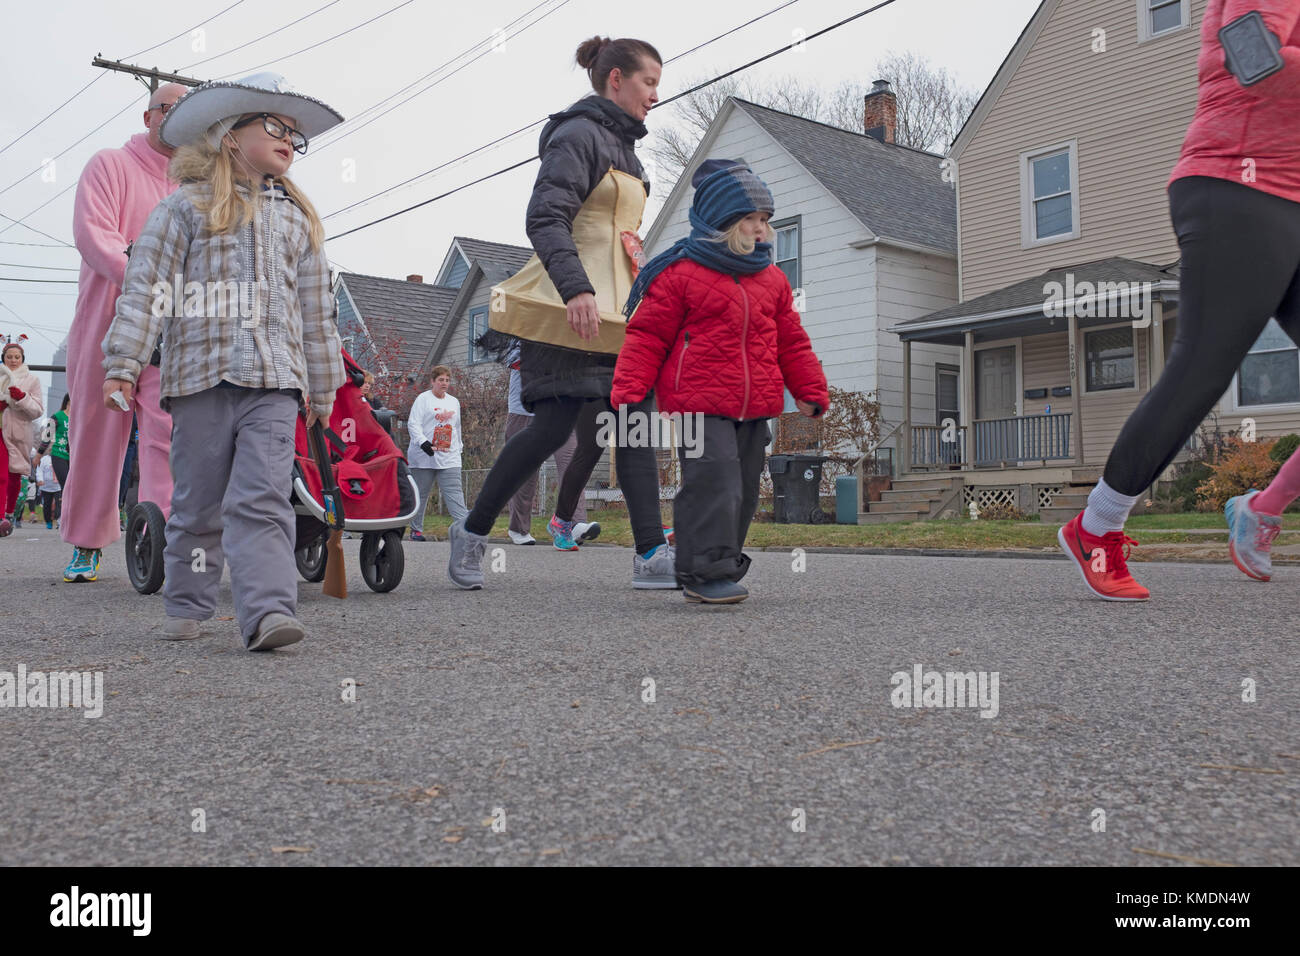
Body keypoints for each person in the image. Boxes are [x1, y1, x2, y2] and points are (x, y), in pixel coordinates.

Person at [1059, 0, 1300, 600]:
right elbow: (1251, 55)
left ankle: (1264, 509)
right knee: (1204, 365)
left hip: (1294, 199)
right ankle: (1098, 524)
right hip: (1236, 185)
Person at [101, 71, 347, 650]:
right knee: (197, 504)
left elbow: (315, 311)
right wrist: (124, 364)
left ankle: (266, 614)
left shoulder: (297, 220)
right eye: (275, 127)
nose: (290, 140)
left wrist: (325, 385)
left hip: (273, 382)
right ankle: (188, 603)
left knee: (262, 497)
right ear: (229, 135)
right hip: (199, 381)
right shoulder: (183, 210)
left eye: (296, 134)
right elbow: (147, 290)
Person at [447, 35, 672, 589]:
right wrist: (576, 289)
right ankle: (472, 532)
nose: (655, 96)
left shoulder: (632, 154)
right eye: (648, 83)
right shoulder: (577, 135)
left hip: (622, 309)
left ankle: (650, 555)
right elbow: (545, 217)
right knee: (549, 428)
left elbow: (625, 240)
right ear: (615, 79)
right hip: (568, 304)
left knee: (635, 420)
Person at [611, 161, 828, 603]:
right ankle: (701, 571)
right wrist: (630, 390)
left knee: (745, 488)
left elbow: (792, 340)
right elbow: (648, 333)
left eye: (765, 220)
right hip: (696, 403)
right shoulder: (679, 273)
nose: (761, 229)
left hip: (754, 406)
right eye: (751, 219)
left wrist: (809, 390)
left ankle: (719, 565)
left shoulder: (772, 280)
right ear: (723, 222)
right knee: (714, 479)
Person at [62, 82, 186, 582]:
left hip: (170, 327)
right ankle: (87, 542)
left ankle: (161, 542)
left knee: (167, 434)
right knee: (96, 432)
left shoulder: (195, 185)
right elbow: (94, 236)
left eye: (186, 112)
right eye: (168, 109)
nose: (176, 118)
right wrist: (147, 277)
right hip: (104, 322)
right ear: (148, 115)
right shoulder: (109, 164)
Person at [502, 347, 595, 548]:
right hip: (525, 409)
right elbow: (511, 358)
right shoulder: (524, 323)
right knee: (524, 472)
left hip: (561, 406)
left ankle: (573, 522)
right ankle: (518, 528)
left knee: (571, 461)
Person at [406, 365, 468, 540]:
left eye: (447, 380)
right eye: (441, 380)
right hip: (424, 456)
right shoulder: (423, 400)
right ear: (432, 381)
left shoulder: (453, 402)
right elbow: (413, 424)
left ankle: (465, 530)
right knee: (420, 494)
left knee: (455, 493)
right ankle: (416, 530)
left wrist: (459, 447)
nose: (444, 383)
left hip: (449, 455)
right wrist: (423, 443)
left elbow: (457, 427)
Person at [1, 339, 43, 537]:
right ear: (3, 359)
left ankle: (9, 514)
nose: (13, 360)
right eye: (9, 357)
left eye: (17, 357)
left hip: (19, 435)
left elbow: (37, 411)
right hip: (0, 432)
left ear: (22, 358)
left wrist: (21, 398)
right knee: (1, 475)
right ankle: (1, 516)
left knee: (14, 475)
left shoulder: (32, 381)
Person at [49, 394, 70, 490]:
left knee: (74, 487)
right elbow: (46, 436)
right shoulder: (57, 416)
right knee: (66, 484)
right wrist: (39, 454)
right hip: (59, 454)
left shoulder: (80, 417)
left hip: (74, 457)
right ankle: (65, 504)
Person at [37, 452, 61, 530]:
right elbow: (39, 471)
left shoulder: (60, 458)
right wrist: (40, 480)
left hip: (58, 486)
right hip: (46, 486)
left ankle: (59, 521)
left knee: (59, 504)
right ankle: (48, 521)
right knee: (47, 505)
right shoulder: (44, 459)